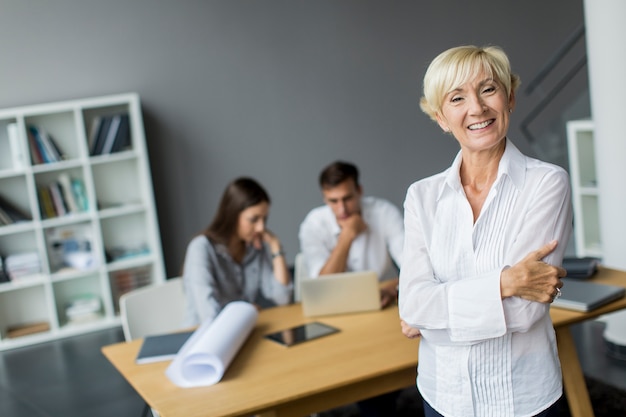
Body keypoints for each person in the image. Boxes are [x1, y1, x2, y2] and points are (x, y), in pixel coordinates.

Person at [398, 45, 573, 417]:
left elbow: (525, 313)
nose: (477, 108)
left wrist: (433, 320)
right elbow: (413, 304)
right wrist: (504, 284)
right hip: (444, 397)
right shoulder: (422, 196)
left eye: (488, 89)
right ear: (441, 117)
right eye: (457, 97)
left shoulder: (546, 184)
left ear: (509, 97)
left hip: (525, 400)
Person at [298, 160, 404, 417]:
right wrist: (347, 236)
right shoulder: (313, 224)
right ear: (324, 198)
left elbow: (414, 267)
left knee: (381, 388)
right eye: (332, 201)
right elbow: (321, 289)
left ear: (360, 190)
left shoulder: (384, 213)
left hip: (383, 314)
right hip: (334, 321)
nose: (341, 208)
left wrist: (392, 289)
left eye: (347, 198)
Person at [182, 177, 292, 327]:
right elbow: (209, 315)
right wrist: (244, 311)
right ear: (233, 215)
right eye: (254, 219)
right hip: (204, 338)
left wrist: (275, 245)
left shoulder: (255, 247)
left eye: (264, 219)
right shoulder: (201, 248)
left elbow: (282, 297)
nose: (261, 228)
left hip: (242, 331)